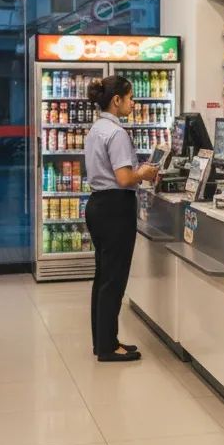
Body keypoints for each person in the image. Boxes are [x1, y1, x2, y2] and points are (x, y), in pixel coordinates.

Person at [84, 75, 159, 362]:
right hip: (115, 207)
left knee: (103, 276)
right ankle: (107, 347)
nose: (133, 103)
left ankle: (103, 340)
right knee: (113, 280)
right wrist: (144, 173)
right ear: (116, 100)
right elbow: (125, 178)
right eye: (130, 98)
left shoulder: (97, 129)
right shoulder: (116, 133)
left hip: (98, 205)